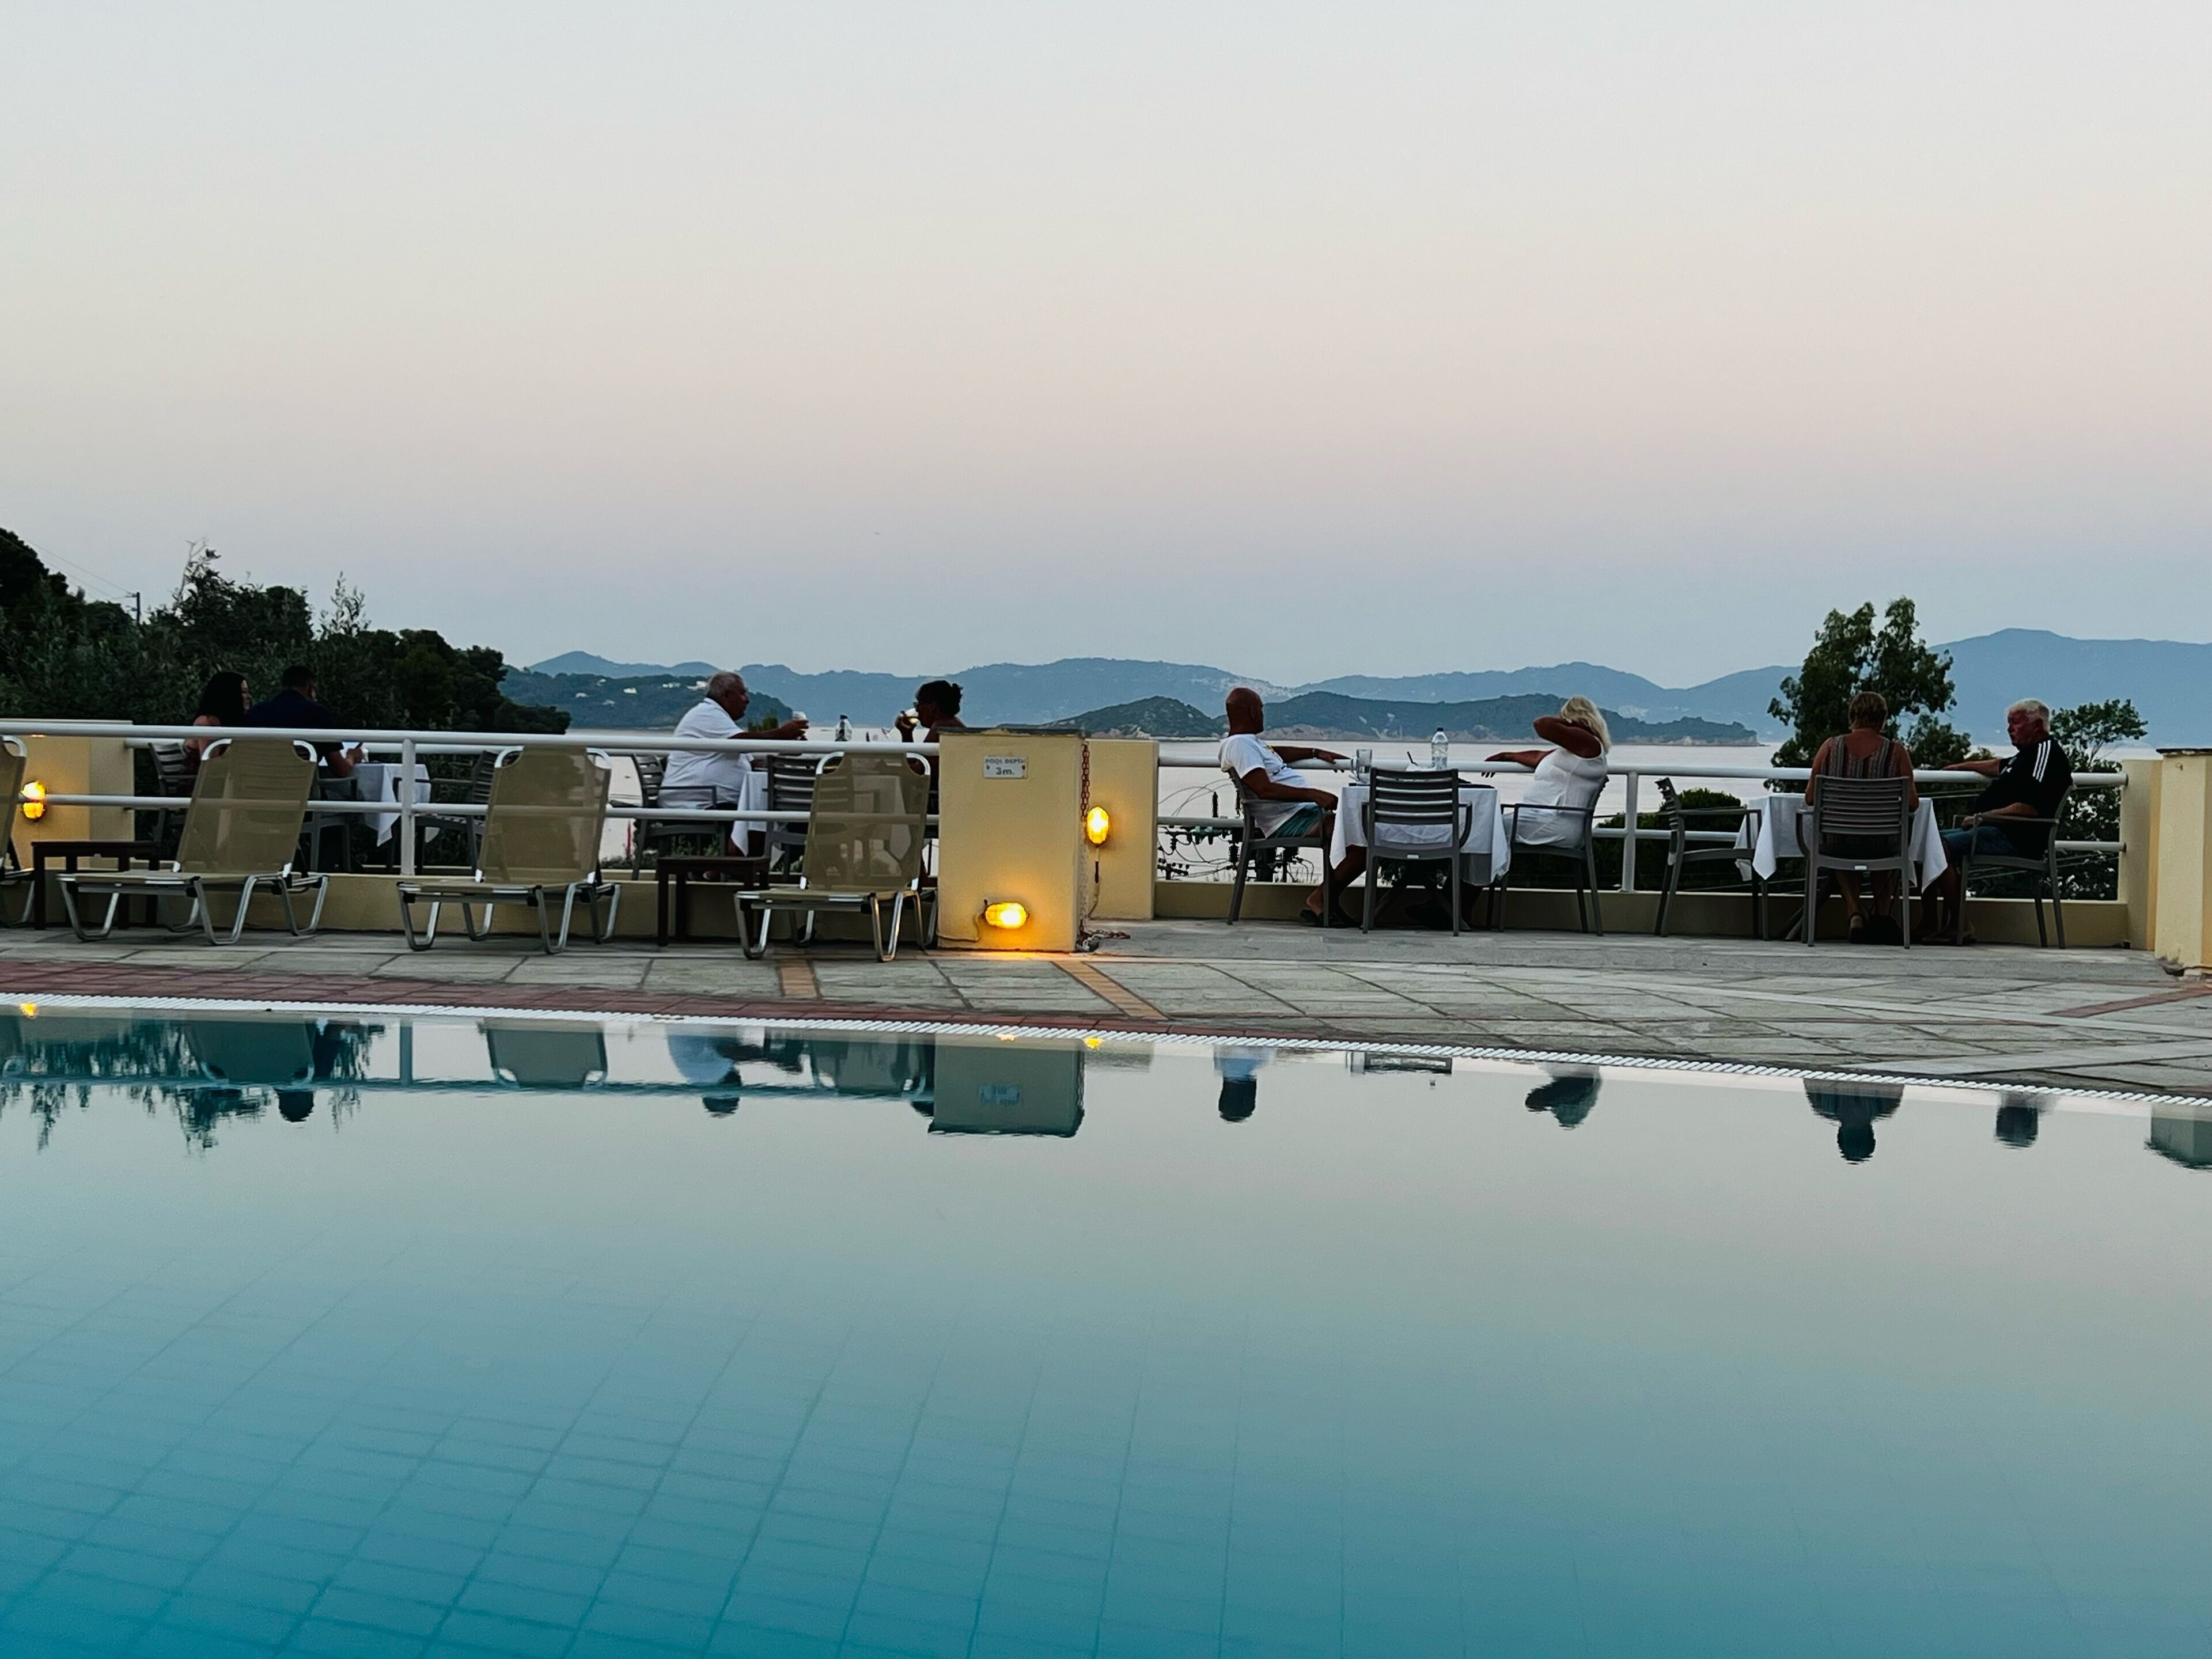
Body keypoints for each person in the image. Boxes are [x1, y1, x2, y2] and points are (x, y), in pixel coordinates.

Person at [1916, 698, 2073, 944]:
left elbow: (2029, 808)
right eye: (2008, 724)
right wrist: (1955, 768)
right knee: (1925, 842)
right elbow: (1996, 766)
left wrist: (1982, 817)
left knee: (1940, 847)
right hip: (1994, 830)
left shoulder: (2045, 754)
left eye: (2016, 723)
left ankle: (1960, 925)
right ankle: (1930, 923)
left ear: (2038, 725)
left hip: (2016, 837)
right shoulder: (2025, 757)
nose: (2010, 729)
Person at [1219, 687, 1360, 923]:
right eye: (1261, 709)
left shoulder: (1250, 744)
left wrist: (1314, 752)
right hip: (1289, 820)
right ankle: (1321, 900)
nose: (1263, 715)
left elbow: (1276, 753)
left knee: (1362, 833)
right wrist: (1313, 794)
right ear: (1254, 712)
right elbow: (1265, 789)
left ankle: (1325, 899)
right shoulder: (1240, 745)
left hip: (1302, 813)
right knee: (1362, 835)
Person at [1804, 690, 1917, 944]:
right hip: (1882, 844)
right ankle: (1881, 916)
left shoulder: (1830, 747)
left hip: (1838, 843)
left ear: (1852, 716)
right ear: (1883, 719)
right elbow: (1912, 804)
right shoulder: (1896, 752)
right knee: (1881, 845)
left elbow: (1810, 798)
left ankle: (1854, 912)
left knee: (1845, 842)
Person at [664, 671, 808, 854]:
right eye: (742, 693)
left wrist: (784, 754)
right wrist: (781, 735)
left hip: (711, 797)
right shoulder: (707, 714)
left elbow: (753, 763)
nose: (747, 700)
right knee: (773, 812)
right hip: (695, 800)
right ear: (726, 695)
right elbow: (741, 742)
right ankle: (740, 866)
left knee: (773, 811)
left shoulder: (722, 721)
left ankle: (734, 867)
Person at [1487, 696, 1611, 852]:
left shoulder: (1589, 744)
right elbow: (1539, 757)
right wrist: (1507, 756)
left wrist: (1570, 722)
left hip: (1556, 823)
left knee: (1485, 829)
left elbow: (1542, 725)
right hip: (1541, 817)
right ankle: (1475, 874)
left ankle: (1475, 875)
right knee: (1482, 826)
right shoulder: (1571, 752)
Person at [243, 664, 359, 777]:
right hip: (302, 791)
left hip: (260, 787)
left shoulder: (256, 712)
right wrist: (352, 757)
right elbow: (341, 770)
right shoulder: (318, 713)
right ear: (310, 688)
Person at [185, 670, 249, 763]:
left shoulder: (236, 722)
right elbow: (210, 763)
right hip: (200, 776)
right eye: (244, 692)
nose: (249, 697)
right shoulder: (206, 722)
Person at [895, 680, 967, 743]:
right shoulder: (953, 724)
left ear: (933, 706)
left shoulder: (940, 728)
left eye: (919, 704)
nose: (917, 709)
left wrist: (906, 735)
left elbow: (922, 759)